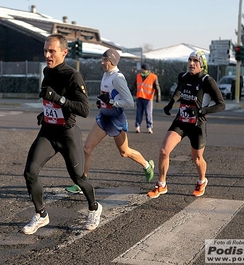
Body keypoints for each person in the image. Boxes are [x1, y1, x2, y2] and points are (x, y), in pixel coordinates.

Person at [21, 34, 102, 235]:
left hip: (67, 134)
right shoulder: (47, 72)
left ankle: (94, 207)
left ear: (64, 53)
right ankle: (41, 215)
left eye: (52, 51)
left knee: (78, 179)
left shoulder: (73, 76)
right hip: (48, 131)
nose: (47, 55)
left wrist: (59, 99)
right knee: (30, 172)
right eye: (45, 51)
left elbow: (84, 109)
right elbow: (51, 101)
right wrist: (45, 112)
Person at [65, 48, 155, 194]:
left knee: (124, 152)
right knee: (87, 148)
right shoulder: (106, 75)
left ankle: (146, 165)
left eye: (105, 60)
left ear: (112, 61)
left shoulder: (118, 78)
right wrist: (102, 102)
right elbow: (107, 95)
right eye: (102, 59)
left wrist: (112, 102)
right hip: (104, 117)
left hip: (116, 119)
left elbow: (129, 102)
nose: (102, 62)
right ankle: (82, 183)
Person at [147, 50, 225, 198]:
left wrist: (203, 111)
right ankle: (162, 184)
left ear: (201, 64)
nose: (191, 63)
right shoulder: (182, 76)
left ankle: (202, 180)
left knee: (196, 158)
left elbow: (221, 104)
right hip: (181, 121)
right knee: (164, 151)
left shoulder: (207, 81)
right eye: (190, 60)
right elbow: (179, 90)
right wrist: (170, 104)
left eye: (195, 60)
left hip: (197, 124)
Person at [133, 63, 161, 134]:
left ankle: (149, 127)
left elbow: (157, 88)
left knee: (148, 114)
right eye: (142, 69)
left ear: (147, 70)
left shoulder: (153, 77)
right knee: (138, 113)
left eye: (143, 69)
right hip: (139, 97)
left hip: (148, 98)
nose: (142, 70)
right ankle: (137, 126)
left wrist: (158, 97)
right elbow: (134, 85)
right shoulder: (138, 76)